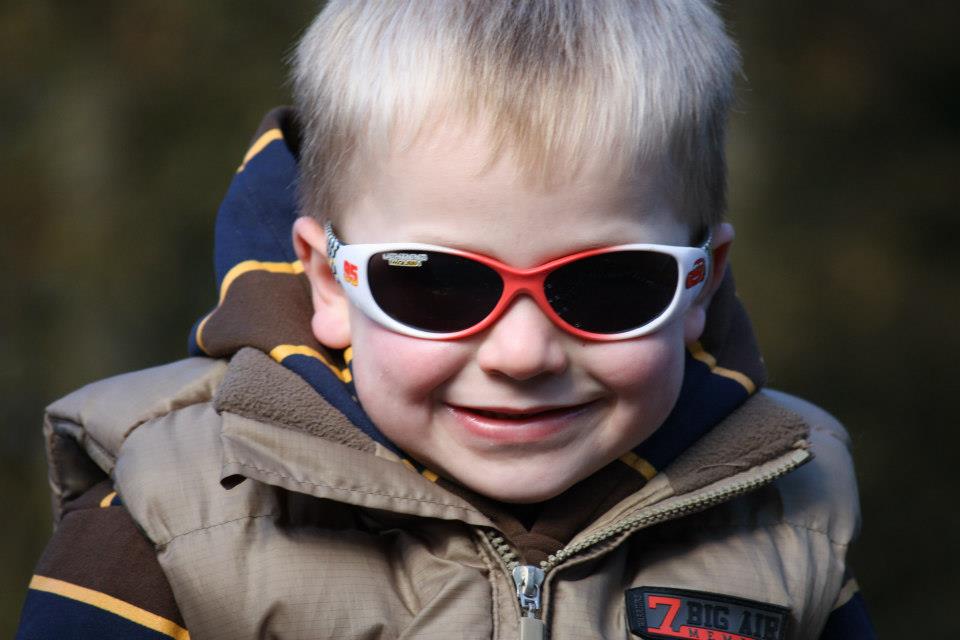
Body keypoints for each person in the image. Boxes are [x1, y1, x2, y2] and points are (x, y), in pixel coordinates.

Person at [17, 2, 876, 638]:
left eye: (609, 286)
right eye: (437, 287)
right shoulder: (171, 528)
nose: (524, 352)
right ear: (328, 282)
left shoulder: (789, 524)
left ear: (700, 286)